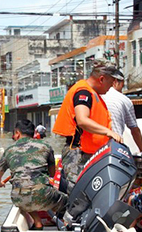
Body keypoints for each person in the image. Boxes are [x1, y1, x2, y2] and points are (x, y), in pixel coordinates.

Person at [52, 59, 123, 194]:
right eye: (111, 81)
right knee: (78, 193)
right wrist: (108, 132)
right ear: (102, 79)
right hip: (78, 154)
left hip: (90, 154)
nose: (112, 86)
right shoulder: (83, 92)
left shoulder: (93, 93)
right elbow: (82, 120)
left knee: (91, 193)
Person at [0, 120, 67, 230]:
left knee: (24, 195)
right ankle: (62, 222)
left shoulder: (9, 150)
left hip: (19, 197)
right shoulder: (45, 146)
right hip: (43, 195)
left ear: (17, 133)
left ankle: (37, 223)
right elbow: (52, 174)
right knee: (66, 201)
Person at [102, 70, 142, 152]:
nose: (122, 89)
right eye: (122, 85)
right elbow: (135, 130)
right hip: (115, 145)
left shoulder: (96, 95)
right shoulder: (125, 100)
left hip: (93, 147)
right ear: (115, 82)